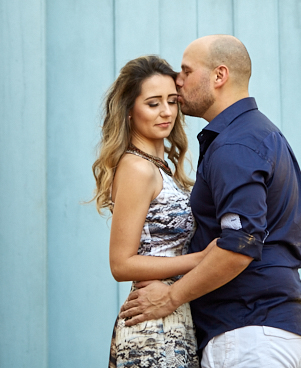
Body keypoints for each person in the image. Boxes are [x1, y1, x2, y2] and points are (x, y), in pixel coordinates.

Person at [119, 35, 301, 368]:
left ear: (219, 76)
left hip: (250, 328)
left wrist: (169, 298)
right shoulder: (259, 134)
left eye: (186, 71)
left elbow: (239, 245)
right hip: (261, 326)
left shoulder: (235, 145)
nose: (178, 80)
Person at [92, 55, 216, 368]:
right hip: (152, 328)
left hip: (173, 315)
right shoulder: (137, 169)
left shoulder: (161, 170)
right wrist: (203, 259)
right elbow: (121, 264)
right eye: (153, 103)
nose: (166, 112)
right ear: (130, 111)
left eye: (172, 101)